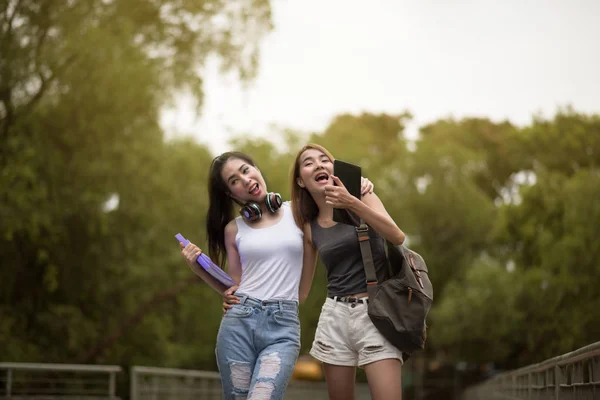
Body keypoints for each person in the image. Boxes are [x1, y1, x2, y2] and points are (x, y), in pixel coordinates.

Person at [180, 151, 373, 400]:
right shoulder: (233, 229)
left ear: (257, 169)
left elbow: (326, 188)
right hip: (239, 324)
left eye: (246, 170)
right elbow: (233, 287)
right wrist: (198, 268)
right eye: (234, 180)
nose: (245, 179)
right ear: (230, 194)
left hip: (282, 327)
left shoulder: (300, 212)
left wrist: (363, 186)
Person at [290, 143, 406, 400]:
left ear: (334, 169)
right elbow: (302, 292)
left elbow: (397, 236)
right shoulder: (310, 226)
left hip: (376, 313)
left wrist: (352, 202)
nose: (319, 164)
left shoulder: (363, 195)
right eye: (309, 163)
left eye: (324, 159)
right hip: (335, 316)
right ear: (300, 181)